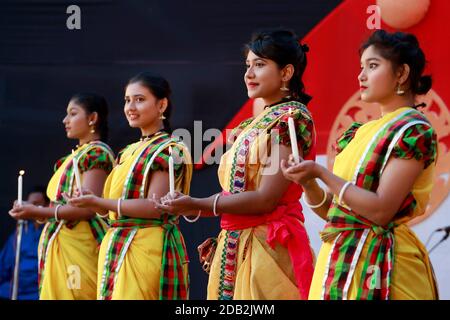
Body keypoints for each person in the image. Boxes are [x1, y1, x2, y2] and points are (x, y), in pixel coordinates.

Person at [157, 28, 316, 300]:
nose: (249, 74)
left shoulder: (290, 120)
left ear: (286, 73)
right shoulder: (251, 125)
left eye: (260, 65)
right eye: (248, 65)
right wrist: (193, 207)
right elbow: (238, 194)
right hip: (236, 246)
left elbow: (266, 199)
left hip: (268, 251)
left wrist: (196, 204)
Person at [281, 30, 438, 300]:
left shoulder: (412, 130)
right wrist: (308, 182)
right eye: (361, 67)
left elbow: (380, 211)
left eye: (373, 66)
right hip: (340, 259)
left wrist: (320, 172)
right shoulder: (359, 133)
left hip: (385, 267)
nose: (361, 76)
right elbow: (339, 211)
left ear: (401, 74)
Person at [68, 72, 193, 300]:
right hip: (116, 245)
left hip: (147, 247)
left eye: (139, 99)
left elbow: (155, 207)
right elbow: (106, 210)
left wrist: (97, 201)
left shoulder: (169, 149)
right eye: (127, 100)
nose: (130, 107)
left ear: (162, 104)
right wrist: (91, 200)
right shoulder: (127, 152)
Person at [9, 93, 115, 299]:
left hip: (80, 244)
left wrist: (36, 211)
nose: (65, 120)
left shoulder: (96, 154)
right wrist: (34, 211)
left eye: (73, 114)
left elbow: (86, 210)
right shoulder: (71, 158)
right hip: (61, 243)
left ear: (92, 118)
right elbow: (57, 206)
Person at [0, 187, 49, 300]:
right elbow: (4, 263)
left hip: (38, 290)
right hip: (15, 288)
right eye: (29, 204)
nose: (31, 208)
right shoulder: (21, 231)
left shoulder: (51, 232)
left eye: (36, 204)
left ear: (47, 206)